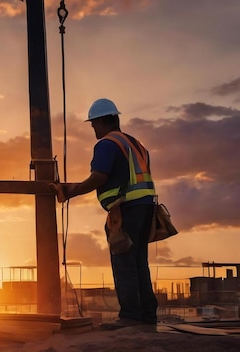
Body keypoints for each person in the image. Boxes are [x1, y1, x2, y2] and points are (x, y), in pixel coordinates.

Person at [51, 98, 158, 330]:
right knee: (139, 262)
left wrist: (72, 192)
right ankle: (147, 315)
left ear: (102, 121)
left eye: (93, 125)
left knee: (124, 261)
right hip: (145, 208)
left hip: (126, 209)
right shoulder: (135, 144)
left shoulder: (107, 144)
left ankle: (130, 315)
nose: (93, 129)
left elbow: (99, 177)